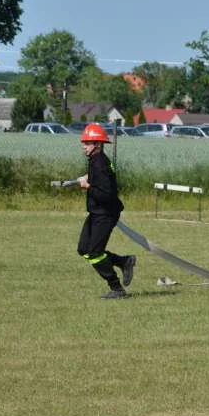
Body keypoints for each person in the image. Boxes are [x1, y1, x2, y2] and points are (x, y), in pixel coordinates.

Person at [76, 123, 136, 298]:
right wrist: (90, 179)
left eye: (87, 143)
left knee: (94, 252)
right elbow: (102, 181)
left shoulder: (100, 163)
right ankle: (124, 261)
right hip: (96, 212)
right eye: (84, 142)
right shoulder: (96, 161)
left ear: (97, 144)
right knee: (83, 248)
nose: (84, 146)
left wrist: (88, 186)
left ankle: (116, 288)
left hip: (106, 214)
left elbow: (107, 194)